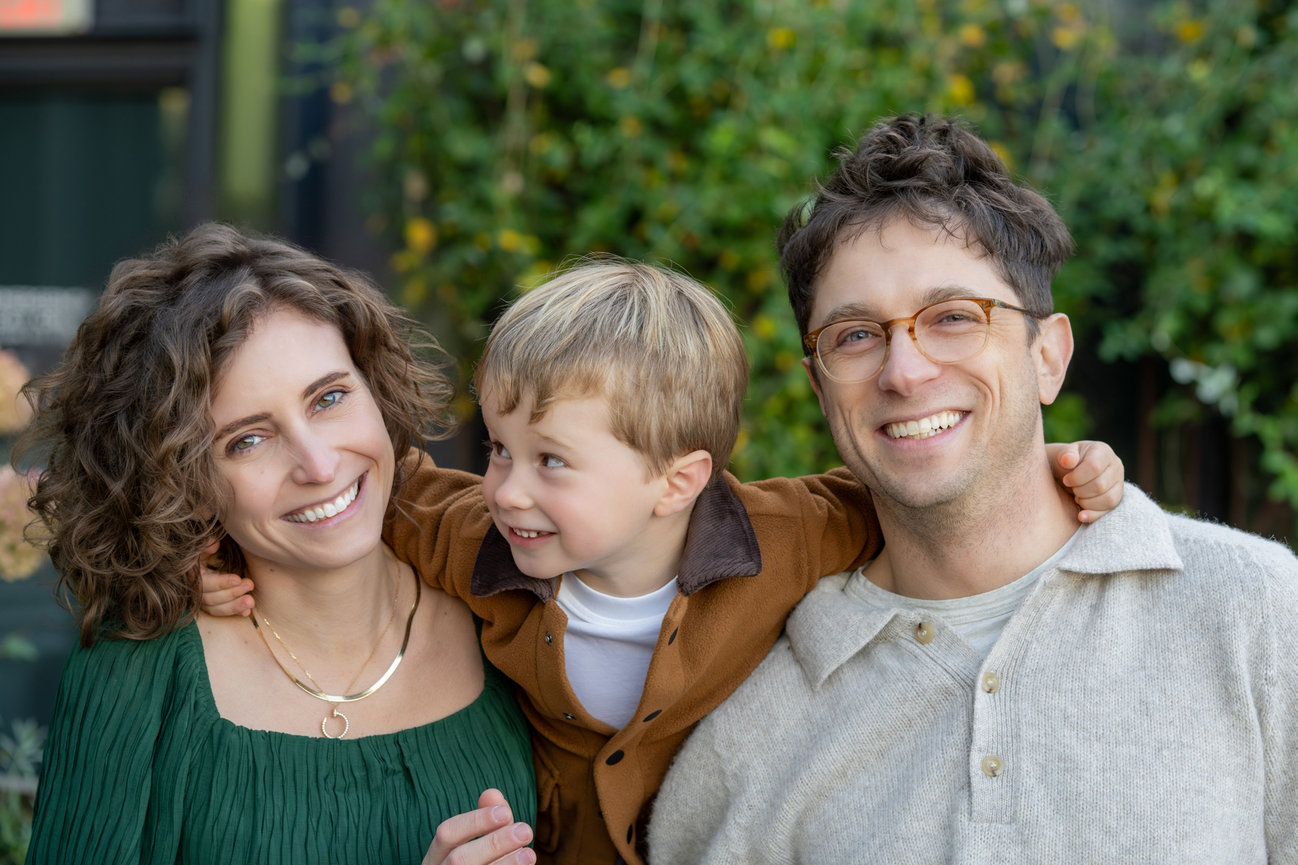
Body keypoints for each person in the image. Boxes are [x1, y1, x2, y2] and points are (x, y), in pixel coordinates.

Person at [202, 257, 1126, 865]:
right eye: (496, 447)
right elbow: (345, 485)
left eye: (552, 461)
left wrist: (1049, 467)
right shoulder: (473, 534)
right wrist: (205, 547)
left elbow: (919, 490)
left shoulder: (789, 535)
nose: (509, 488)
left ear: (677, 480)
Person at [647, 113, 1298, 863]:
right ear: (819, 386)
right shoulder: (750, 731)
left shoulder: (1253, 613)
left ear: (1048, 356)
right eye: (855, 335)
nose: (905, 371)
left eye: (954, 317)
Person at [16, 223, 537, 864]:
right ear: (183, 482)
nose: (318, 465)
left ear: (376, 390)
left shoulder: (512, 612)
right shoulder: (137, 674)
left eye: (330, 397)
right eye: (247, 439)